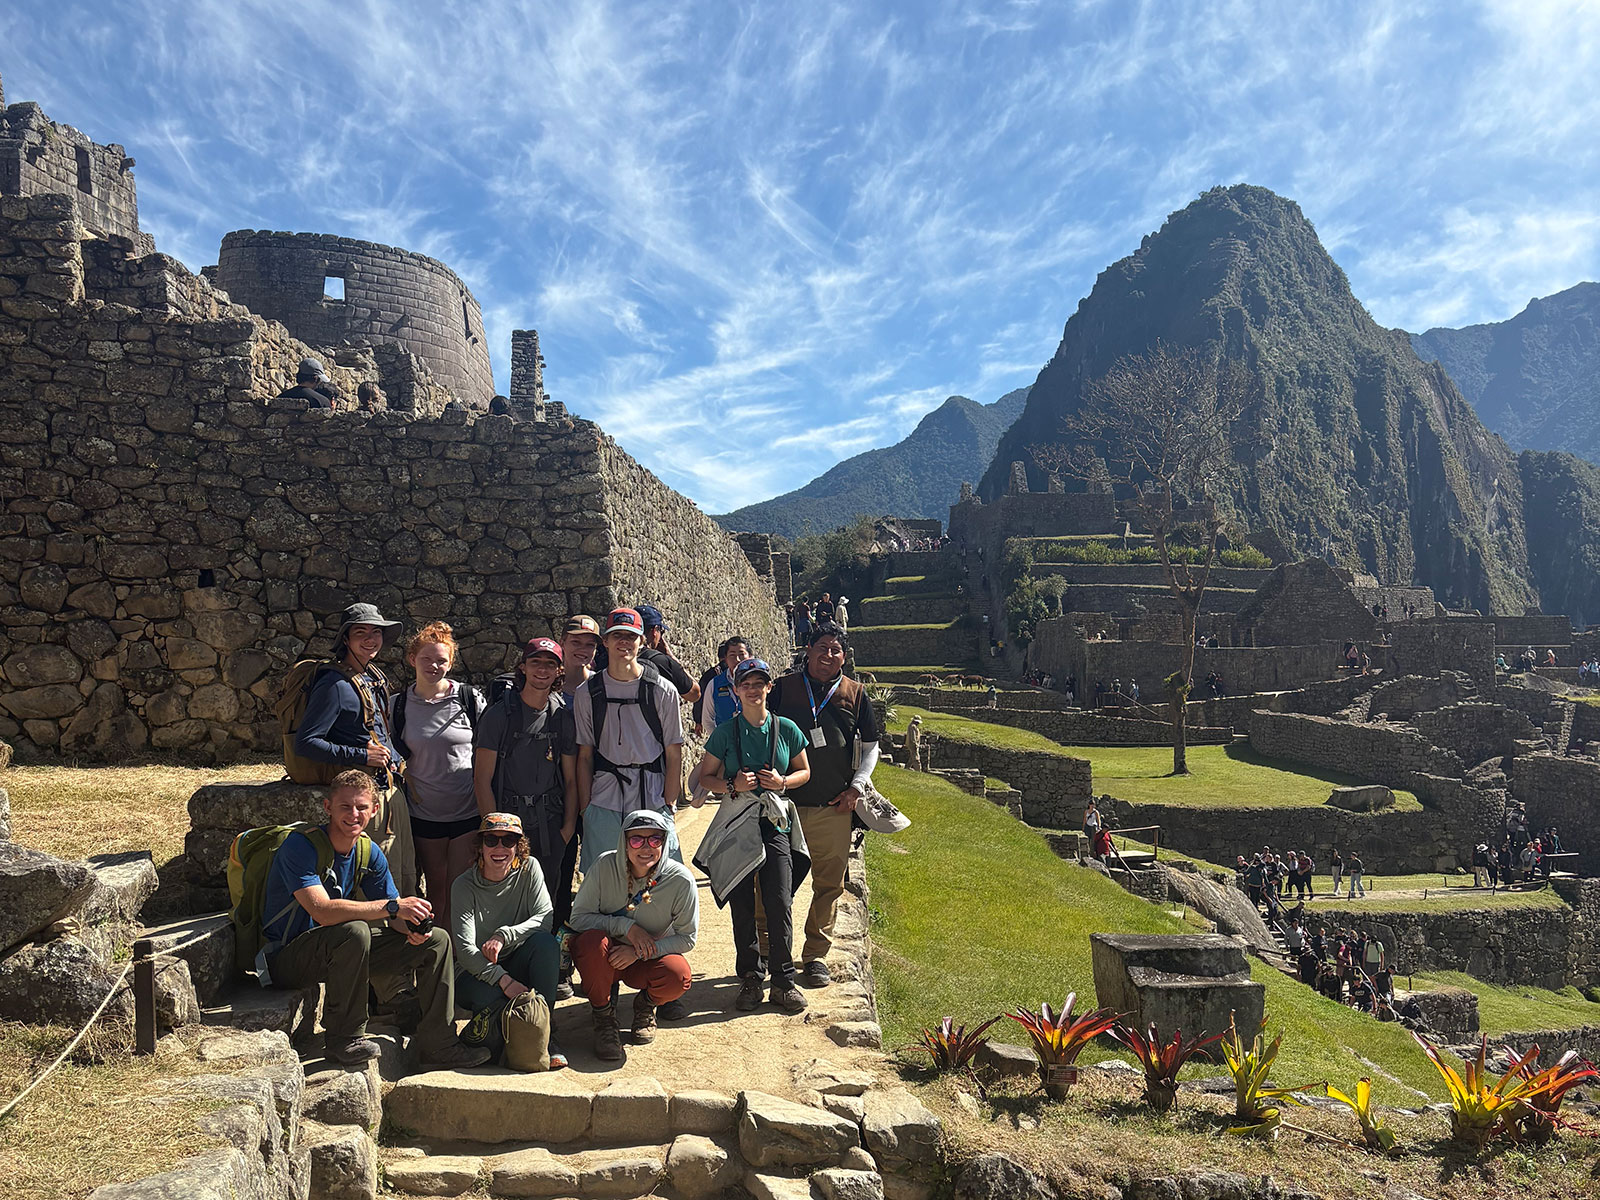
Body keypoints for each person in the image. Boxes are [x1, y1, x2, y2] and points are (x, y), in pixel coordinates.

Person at [259, 770, 487, 1068]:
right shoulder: (300, 847)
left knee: (438, 941)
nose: (354, 814)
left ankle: (438, 1044)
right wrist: (393, 907)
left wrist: (414, 926)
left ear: (375, 810)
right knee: (355, 931)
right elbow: (323, 911)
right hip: (285, 959)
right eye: (345, 806)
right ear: (328, 808)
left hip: (337, 952)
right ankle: (343, 1039)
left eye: (362, 807)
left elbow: (395, 917)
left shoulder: (368, 851)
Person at [695, 657, 813, 1014]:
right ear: (736, 690)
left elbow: (804, 772)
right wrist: (732, 784)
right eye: (746, 683)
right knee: (742, 901)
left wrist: (782, 782)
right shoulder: (724, 733)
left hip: (774, 821)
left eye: (759, 683)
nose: (753, 689)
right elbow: (705, 778)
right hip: (738, 821)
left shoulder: (787, 729)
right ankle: (750, 976)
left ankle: (782, 980)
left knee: (779, 899)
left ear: (768, 688)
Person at [768, 622, 882, 989]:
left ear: (843, 657)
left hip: (834, 807)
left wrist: (856, 788)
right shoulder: (783, 689)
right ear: (808, 649)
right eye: (822, 647)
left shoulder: (855, 693)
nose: (828, 655)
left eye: (835, 649)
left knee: (828, 884)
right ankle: (767, 949)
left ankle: (815, 955)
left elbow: (871, 747)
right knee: (771, 882)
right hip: (783, 806)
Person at [294, 602, 415, 897]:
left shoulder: (372, 677)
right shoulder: (334, 684)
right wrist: (361, 755)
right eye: (361, 632)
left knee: (402, 874)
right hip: (362, 799)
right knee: (372, 883)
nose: (371, 639)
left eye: (376, 632)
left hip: (388, 792)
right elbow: (307, 742)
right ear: (346, 638)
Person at [568, 809, 698, 1062]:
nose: (645, 847)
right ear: (624, 842)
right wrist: (626, 927)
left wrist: (638, 951)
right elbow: (578, 918)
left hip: (646, 957)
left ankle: (646, 1006)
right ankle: (604, 1017)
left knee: (677, 975)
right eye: (636, 839)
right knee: (590, 942)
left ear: (665, 841)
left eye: (655, 839)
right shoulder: (605, 866)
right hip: (607, 957)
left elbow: (687, 937)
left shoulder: (680, 880)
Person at [474, 637, 578, 940]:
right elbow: (482, 778)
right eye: (536, 662)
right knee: (504, 899)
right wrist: (493, 834)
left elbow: (570, 779)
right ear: (523, 667)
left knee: (549, 899)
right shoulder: (498, 716)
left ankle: (548, 967)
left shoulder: (562, 717)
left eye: (550, 664)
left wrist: (568, 828)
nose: (542, 670)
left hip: (550, 824)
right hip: (508, 824)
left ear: (559, 671)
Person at [450, 812, 567, 1068]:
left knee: (546, 945)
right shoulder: (463, 885)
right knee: (501, 1001)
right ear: (480, 846)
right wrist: (504, 980)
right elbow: (466, 951)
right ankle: (487, 1041)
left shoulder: (530, 869)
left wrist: (504, 934)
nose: (500, 848)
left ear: (519, 846)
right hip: (476, 972)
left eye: (509, 841)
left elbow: (544, 919)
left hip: (516, 957)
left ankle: (545, 1035)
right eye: (491, 840)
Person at [574, 608, 685, 872]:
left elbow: (674, 751)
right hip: (604, 799)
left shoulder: (662, 689)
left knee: (659, 882)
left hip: (653, 798)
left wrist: (669, 801)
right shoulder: (587, 692)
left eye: (630, 636)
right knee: (603, 879)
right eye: (617, 636)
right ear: (606, 641)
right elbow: (585, 754)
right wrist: (586, 808)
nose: (624, 642)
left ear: (641, 641)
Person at [391, 621, 485, 931]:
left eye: (441, 660)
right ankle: (435, 948)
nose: (434, 666)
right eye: (426, 659)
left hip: (466, 810)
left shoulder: (470, 700)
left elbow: (489, 748)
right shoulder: (398, 706)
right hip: (424, 812)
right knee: (435, 886)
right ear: (411, 659)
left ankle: (456, 956)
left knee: (458, 887)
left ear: (452, 662)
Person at [635, 605, 698, 701]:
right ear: (654, 631)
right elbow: (695, 694)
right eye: (661, 631)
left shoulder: (612, 656)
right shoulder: (662, 662)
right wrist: (671, 657)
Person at [695, 637, 750, 738]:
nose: (737, 660)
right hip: (727, 749)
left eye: (742, 654)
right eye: (732, 655)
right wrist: (720, 743)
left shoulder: (759, 684)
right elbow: (707, 720)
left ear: (750, 657)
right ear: (726, 659)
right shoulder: (714, 684)